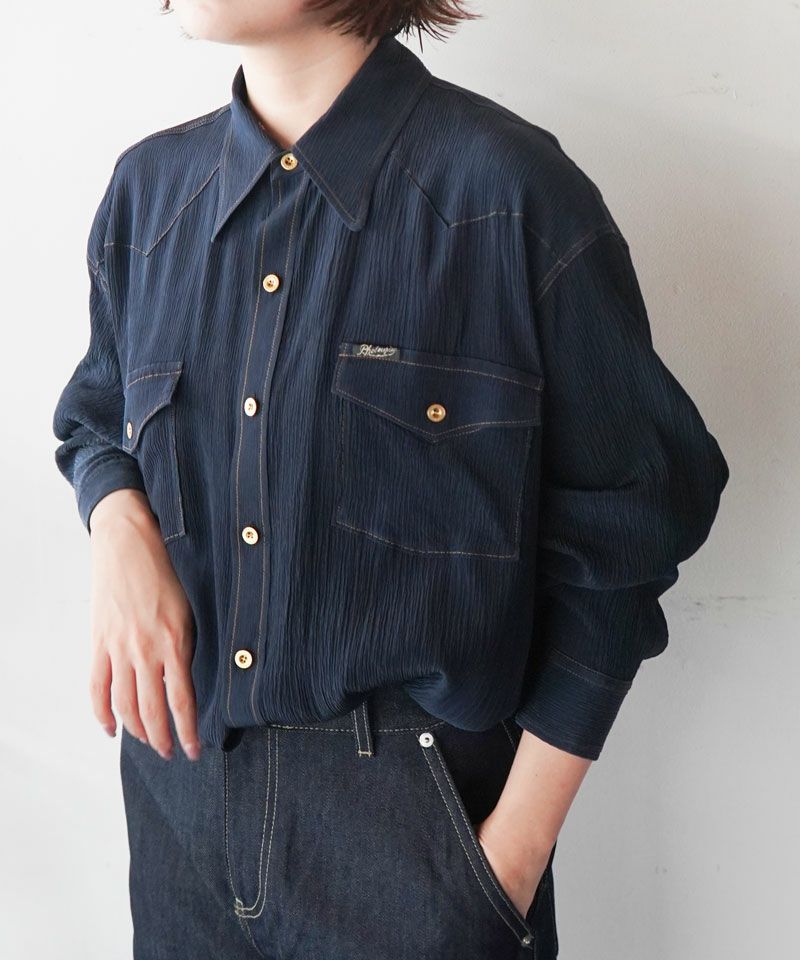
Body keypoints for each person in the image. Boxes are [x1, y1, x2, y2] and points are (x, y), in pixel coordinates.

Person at [51, 1, 730, 957]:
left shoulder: (508, 192)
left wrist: (506, 862)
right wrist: (119, 524)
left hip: (415, 831)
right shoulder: (146, 194)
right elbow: (95, 414)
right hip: (178, 806)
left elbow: (633, 525)